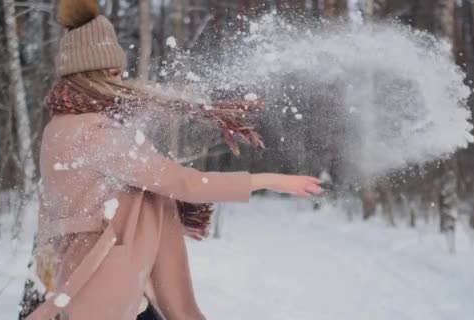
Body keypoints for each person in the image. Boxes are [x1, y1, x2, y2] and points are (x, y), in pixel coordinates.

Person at [25, 0, 322, 319]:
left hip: (89, 275)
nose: (120, 75)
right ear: (93, 71)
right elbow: (182, 182)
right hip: (105, 284)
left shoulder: (58, 127)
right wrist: (267, 180)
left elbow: (100, 199)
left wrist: (170, 221)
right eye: (112, 69)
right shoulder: (96, 131)